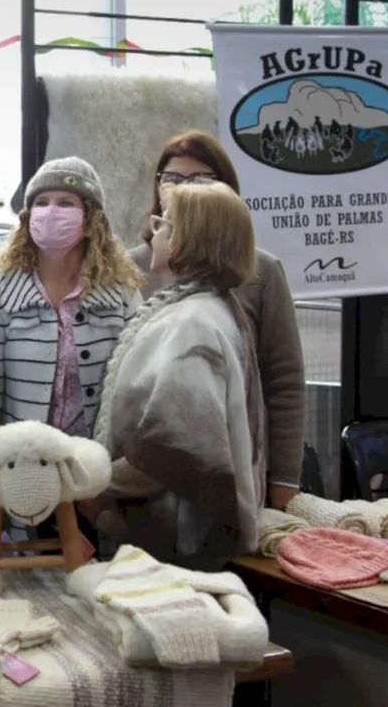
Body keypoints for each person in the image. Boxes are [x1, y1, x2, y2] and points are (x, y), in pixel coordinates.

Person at [93, 181, 265, 570]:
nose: (153, 233)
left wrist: (88, 485)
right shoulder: (210, 308)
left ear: (190, 240)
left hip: (175, 540)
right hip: (174, 534)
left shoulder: (191, 323)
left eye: (165, 224)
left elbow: (172, 449)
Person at [129, 131, 304, 511]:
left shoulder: (260, 270)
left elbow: (284, 380)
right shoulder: (128, 268)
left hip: (232, 468)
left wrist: (284, 479)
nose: (181, 189)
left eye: (199, 179)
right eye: (171, 178)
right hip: (142, 473)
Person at [0, 157, 143, 542]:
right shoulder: (0, 291)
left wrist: (115, 475)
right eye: (41, 202)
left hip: (93, 475)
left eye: (66, 202)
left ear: (90, 219)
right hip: (23, 471)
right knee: (30, 567)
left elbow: (133, 389)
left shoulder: (122, 294)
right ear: (27, 218)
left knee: (94, 566)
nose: (50, 211)